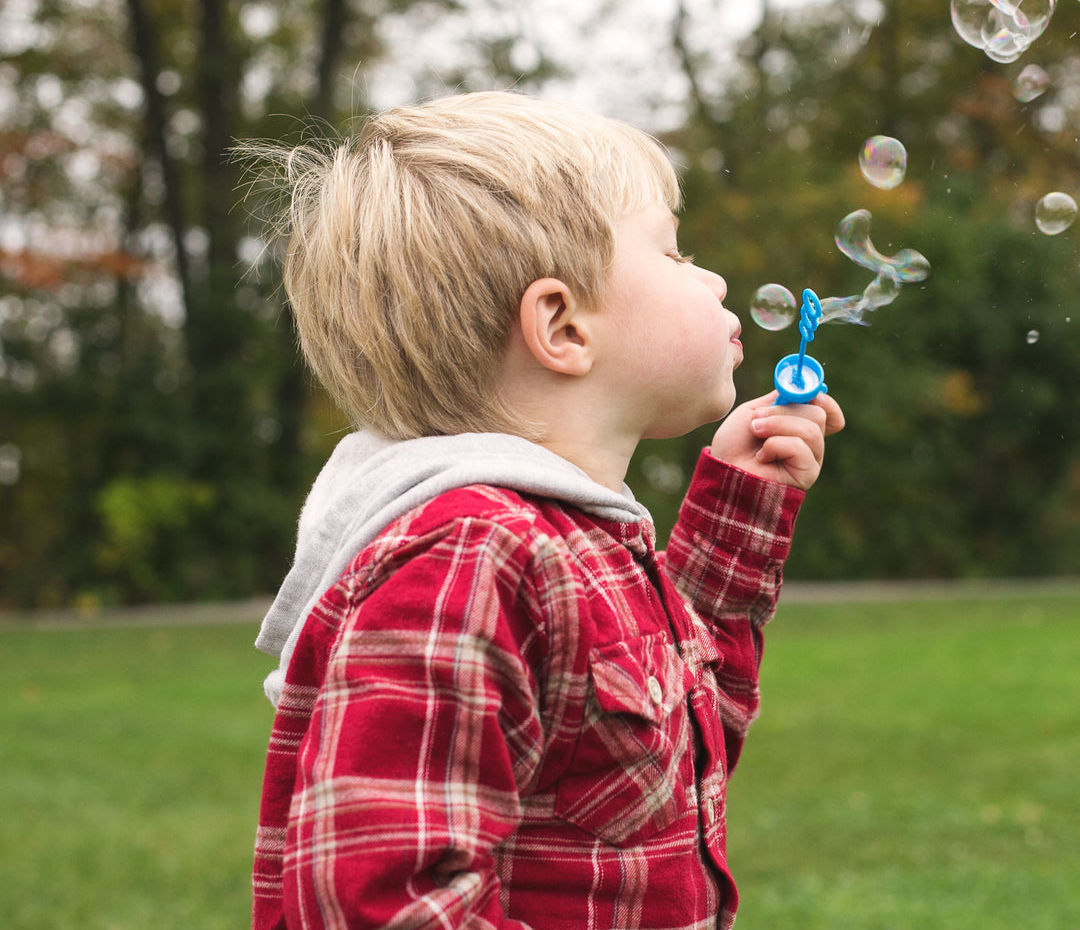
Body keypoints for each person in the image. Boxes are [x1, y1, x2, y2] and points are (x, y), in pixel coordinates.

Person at [247, 90, 843, 930]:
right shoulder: (470, 557)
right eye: (672, 255)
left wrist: (740, 506)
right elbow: (381, 904)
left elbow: (671, 763)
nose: (710, 277)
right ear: (561, 326)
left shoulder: (564, 546)